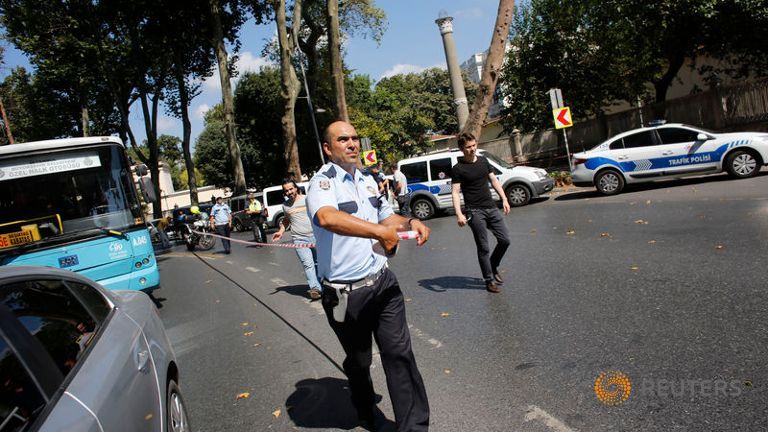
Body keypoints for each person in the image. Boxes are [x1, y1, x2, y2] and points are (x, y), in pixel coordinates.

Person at [307, 120, 431, 431]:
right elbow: (327, 217)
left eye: (355, 138)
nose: (352, 144)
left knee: (399, 353)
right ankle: (363, 407)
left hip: (382, 282)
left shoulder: (367, 180)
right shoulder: (323, 183)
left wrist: (409, 221)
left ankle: (414, 427)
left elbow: (386, 216)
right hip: (346, 294)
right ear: (328, 148)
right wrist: (378, 232)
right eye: (343, 139)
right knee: (360, 361)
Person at [450, 132, 511, 293]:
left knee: (505, 240)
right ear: (462, 149)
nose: (472, 149)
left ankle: (493, 264)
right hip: (474, 211)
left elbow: (494, 180)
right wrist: (459, 214)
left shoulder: (484, 161)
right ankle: (489, 279)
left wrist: (504, 198)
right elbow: (455, 192)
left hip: (491, 207)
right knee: (483, 247)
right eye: (468, 147)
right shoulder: (458, 169)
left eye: (474, 145)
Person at [271, 180, 322, 300]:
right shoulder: (285, 205)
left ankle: (321, 285)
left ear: (296, 188)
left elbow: (319, 214)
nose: (289, 192)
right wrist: (281, 231)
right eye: (286, 190)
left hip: (315, 236)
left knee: (318, 263)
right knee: (307, 264)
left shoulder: (307, 199)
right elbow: (286, 220)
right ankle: (315, 288)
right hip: (299, 239)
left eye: (291, 189)